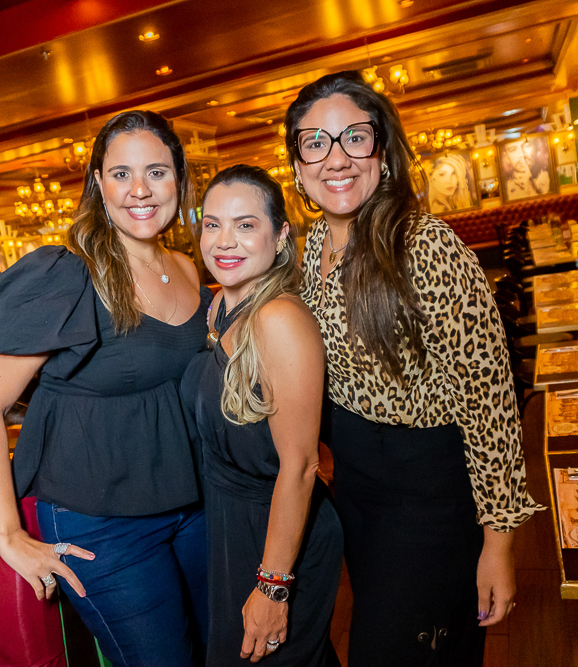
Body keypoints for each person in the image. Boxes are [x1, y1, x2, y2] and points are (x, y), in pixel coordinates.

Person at [284, 71, 541, 666]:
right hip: (357, 494)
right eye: (315, 143)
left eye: (355, 137)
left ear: (383, 149)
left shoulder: (424, 245)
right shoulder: (309, 247)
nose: (336, 158)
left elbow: (492, 403)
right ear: (297, 166)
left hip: (430, 497)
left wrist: (499, 544)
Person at [0, 110, 210, 667]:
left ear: (180, 179)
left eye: (156, 171)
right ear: (98, 184)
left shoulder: (188, 268)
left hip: (194, 508)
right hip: (99, 523)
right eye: (120, 174)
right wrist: (6, 533)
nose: (140, 190)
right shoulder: (68, 273)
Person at [181, 165, 343, 666]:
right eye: (212, 224)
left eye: (246, 225)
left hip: (278, 536)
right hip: (233, 528)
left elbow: (299, 466)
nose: (224, 241)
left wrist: (273, 586)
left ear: (279, 236)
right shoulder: (218, 309)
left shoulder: (279, 320)